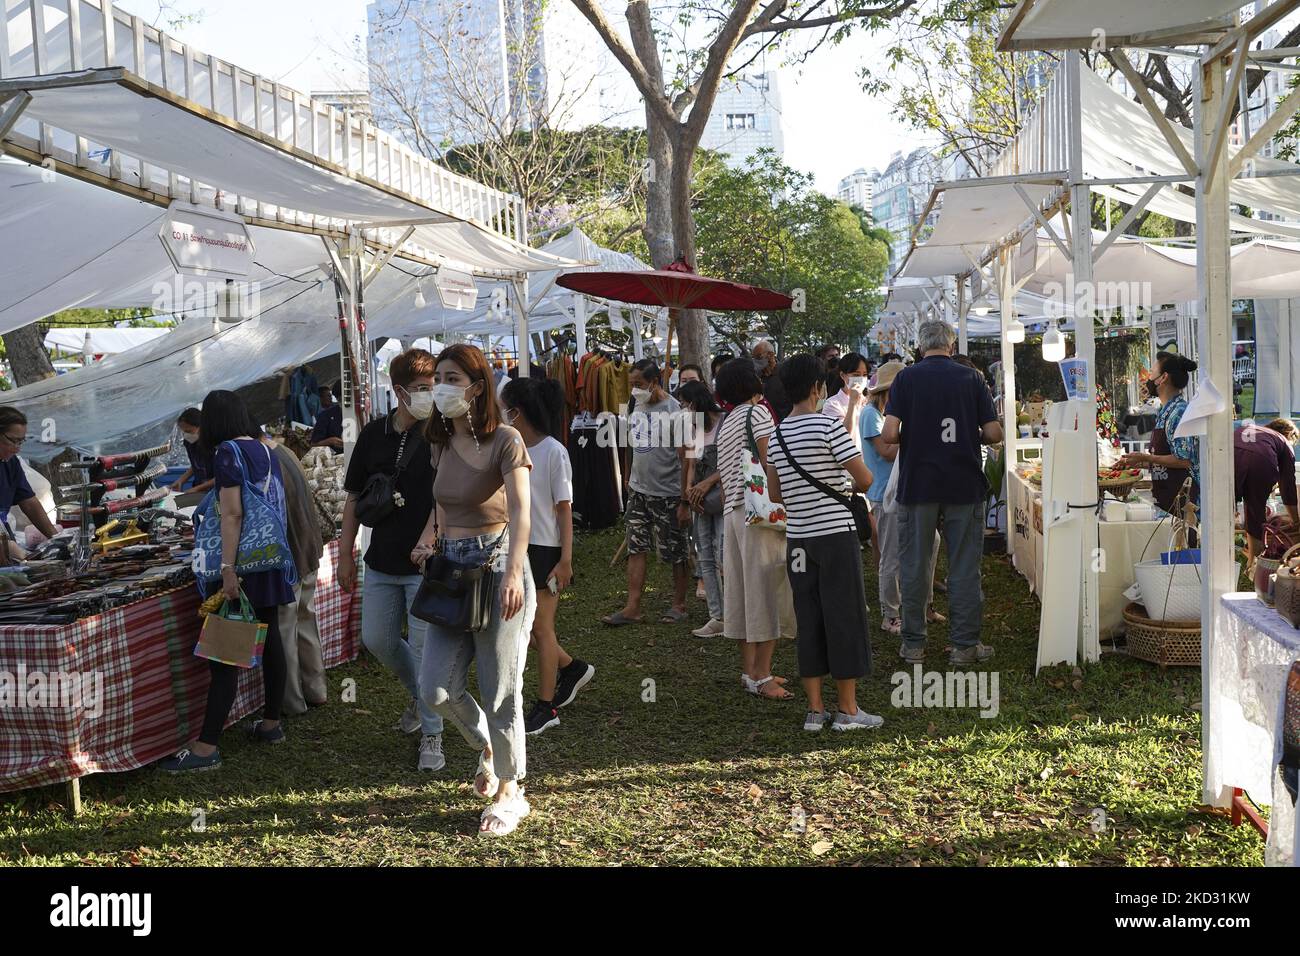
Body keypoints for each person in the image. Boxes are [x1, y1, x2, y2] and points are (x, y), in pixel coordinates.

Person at [413, 344, 536, 837]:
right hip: (452, 570)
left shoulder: (506, 440)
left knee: (501, 684)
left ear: (478, 387)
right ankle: (489, 745)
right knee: (436, 689)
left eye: (451, 377)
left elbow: (523, 512)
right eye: (437, 377)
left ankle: (511, 789)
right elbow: (443, 504)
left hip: (498, 564)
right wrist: (429, 536)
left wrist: (512, 574)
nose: (441, 386)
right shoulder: (439, 442)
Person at [160, 391, 297, 771]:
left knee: (225, 652)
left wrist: (228, 568)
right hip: (268, 558)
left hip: (243, 564)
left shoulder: (226, 453)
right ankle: (271, 724)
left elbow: (232, 514)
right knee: (270, 642)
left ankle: (206, 748)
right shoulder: (265, 449)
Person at [338, 349, 445, 771]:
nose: (430, 394)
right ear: (399, 391)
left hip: (424, 562)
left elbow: (448, 498)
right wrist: (346, 554)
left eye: (434, 386)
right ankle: (421, 700)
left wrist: (429, 539)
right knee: (378, 640)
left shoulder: (442, 433)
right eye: (422, 388)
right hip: (380, 559)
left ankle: (434, 737)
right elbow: (352, 496)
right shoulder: (374, 435)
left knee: (424, 650)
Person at [766, 355, 880, 732]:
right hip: (835, 535)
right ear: (817, 388)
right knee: (843, 614)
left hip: (798, 540)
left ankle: (815, 710)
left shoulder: (778, 435)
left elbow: (775, 492)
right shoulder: (829, 427)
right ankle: (847, 709)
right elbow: (864, 481)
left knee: (809, 618)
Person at [882, 321, 1002, 665]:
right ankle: (964, 646)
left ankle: (913, 645)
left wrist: (919, 435)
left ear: (920, 347)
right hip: (963, 483)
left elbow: (889, 434)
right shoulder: (972, 378)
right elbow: (993, 432)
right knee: (964, 566)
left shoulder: (906, 378)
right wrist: (968, 434)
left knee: (914, 564)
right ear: (951, 346)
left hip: (918, 484)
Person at [501, 376, 595, 737]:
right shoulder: (509, 445)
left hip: (545, 549)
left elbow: (564, 509)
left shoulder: (554, 451)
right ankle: (570, 668)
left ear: (517, 411)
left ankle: (546, 706)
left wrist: (566, 559)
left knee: (539, 628)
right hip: (517, 547)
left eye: (506, 408)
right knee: (528, 628)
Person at [714, 358, 796, 698]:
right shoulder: (758, 413)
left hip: (734, 512)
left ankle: (750, 672)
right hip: (759, 515)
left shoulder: (728, 420)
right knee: (767, 591)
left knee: (745, 593)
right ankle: (762, 676)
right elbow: (769, 460)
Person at [602, 359, 690, 625]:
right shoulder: (634, 405)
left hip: (668, 493)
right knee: (636, 546)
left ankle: (679, 604)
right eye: (632, 385)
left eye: (638, 384)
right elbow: (631, 443)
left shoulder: (676, 410)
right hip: (639, 491)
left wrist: (684, 499)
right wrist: (628, 477)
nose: (634, 390)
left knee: (676, 550)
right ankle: (633, 607)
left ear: (654, 382)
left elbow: (687, 458)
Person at [267, 435, 328, 716]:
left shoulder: (260, 459)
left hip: (291, 552)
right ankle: (316, 690)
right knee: (305, 617)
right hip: (307, 545)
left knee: (285, 627)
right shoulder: (285, 451)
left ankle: (291, 701)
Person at [1117, 352, 1200, 513]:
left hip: (1183, 501)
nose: (1148, 379)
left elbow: (1184, 460)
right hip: (1166, 497)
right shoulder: (1165, 411)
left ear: (1163, 378)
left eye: (1151, 373)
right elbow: (1164, 458)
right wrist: (1135, 462)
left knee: (1183, 538)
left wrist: (1147, 457)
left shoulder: (1178, 412)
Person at [679, 381, 726, 637]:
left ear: (695, 403)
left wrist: (707, 484)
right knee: (705, 556)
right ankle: (717, 615)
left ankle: (733, 613)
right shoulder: (692, 427)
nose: (683, 409)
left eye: (685, 404)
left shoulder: (725, 422)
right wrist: (688, 490)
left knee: (723, 554)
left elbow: (733, 459)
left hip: (723, 497)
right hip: (700, 500)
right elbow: (691, 463)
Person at [1235, 418, 1299, 563]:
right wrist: (1296, 521)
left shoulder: (1250, 429)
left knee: (1225, 513)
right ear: (1289, 434)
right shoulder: (1283, 440)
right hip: (1261, 461)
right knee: (1255, 515)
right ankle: (1254, 566)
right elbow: (1287, 488)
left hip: (1228, 454)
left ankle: (1221, 561)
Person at [0, 406, 60, 556]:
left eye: (21, 442)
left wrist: (56, 539)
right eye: (13, 441)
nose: (17, 448)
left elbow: (30, 503)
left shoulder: (10, 463)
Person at [822, 352, 870, 454]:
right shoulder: (832, 404)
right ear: (843, 375)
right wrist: (852, 403)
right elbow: (843, 437)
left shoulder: (868, 401)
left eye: (865, 375)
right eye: (856, 375)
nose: (861, 379)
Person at [170, 408, 215, 494]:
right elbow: (196, 466)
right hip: (199, 487)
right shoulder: (189, 442)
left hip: (215, 491)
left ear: (201, 426)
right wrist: (181, 480)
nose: (185, 435)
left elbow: (222, 476)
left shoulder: (214, 444)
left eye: (188, 431)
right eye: (183, 432)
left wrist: (197, 489)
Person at [753, 339, 792, 420]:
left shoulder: (786, 373)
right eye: (754, 358)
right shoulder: (756, 376)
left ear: (771, 355)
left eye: (758, 357)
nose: (755, 361)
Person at [312, 382, 344, 454]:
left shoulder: (361, 414)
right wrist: (330, 441)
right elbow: (314, 444)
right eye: (339, 399)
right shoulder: (325, 416)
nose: (331, 399)